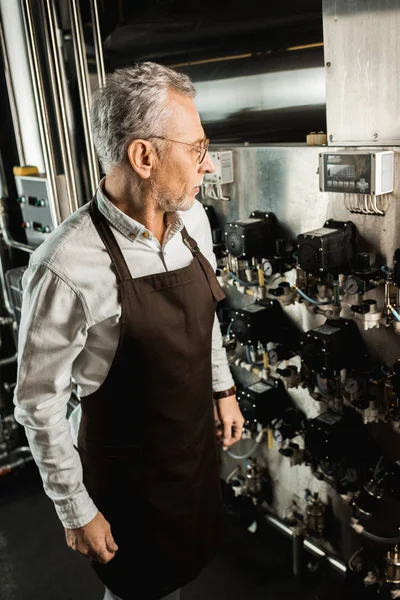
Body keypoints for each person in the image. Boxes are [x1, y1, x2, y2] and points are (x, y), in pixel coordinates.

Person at [14, 62, 244, 600]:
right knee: (139, 590)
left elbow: (203, 316)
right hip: (128, 485)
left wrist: (223, 387)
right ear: (144, 156)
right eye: (197, 149)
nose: (207, 166)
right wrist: (75, 511)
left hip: (189, 457)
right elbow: (38, 402)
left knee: (183, 576)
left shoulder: (194, 222)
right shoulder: (66, 266)